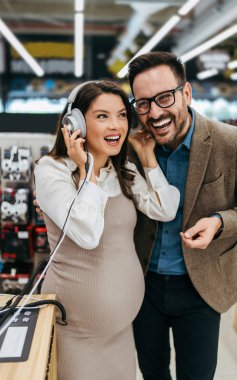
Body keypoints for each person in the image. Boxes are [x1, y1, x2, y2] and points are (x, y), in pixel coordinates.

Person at [34, 80, 180, 380]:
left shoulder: (122, 171)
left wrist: (147, 155)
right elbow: (88, 235)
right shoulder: (52, 171)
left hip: (121, 333)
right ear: (75, 123)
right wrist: (88, 170)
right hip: (77, 334)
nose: (116, 125)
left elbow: (165, 209)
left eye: (122, 115)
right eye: (102, 116)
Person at [127, 51, 237, 380]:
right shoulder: (131, 147)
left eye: (164, 98)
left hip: (201, 287)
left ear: (186, 93)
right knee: (152, 371)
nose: (154, 113)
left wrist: (219, 222)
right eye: (143, 103)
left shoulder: (228, 144)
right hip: (143, 286)